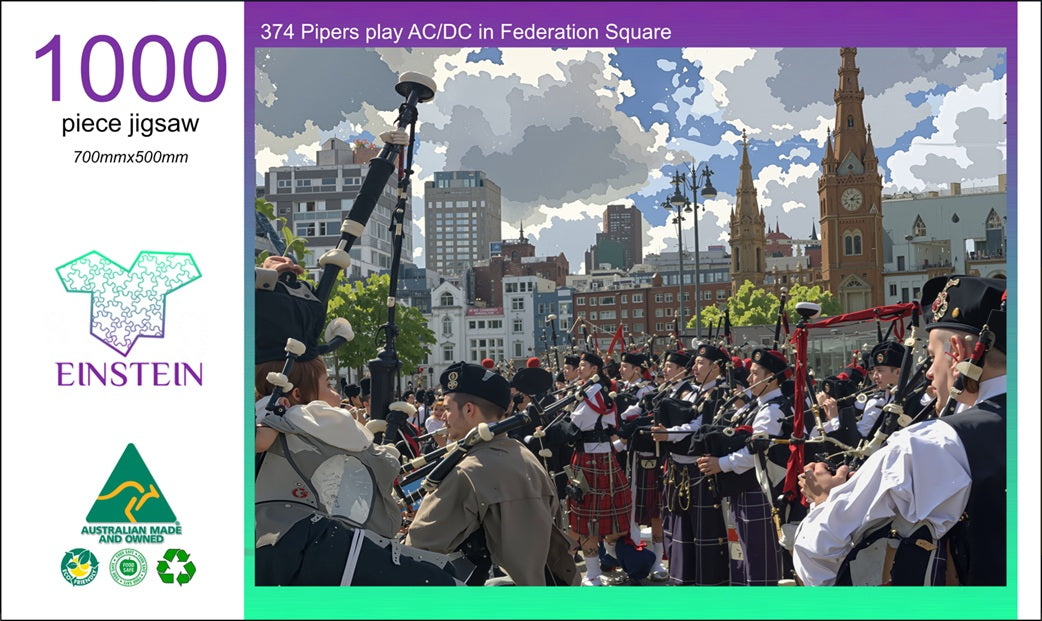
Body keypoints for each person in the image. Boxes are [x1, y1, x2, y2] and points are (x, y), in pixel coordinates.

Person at [793, 275, 1007, 586]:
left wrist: (826, 499)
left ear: (957, 352)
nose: (930, 372)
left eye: (932, 357)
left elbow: (817, 550)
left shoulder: (932, 445)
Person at [405, 361, 578, 586]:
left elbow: (417, 548)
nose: (443, 418)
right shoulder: (522, 454)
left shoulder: (468, 470)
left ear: (469, 409)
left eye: (448, 409)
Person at [696, 348, 790, 586]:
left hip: (760, 491)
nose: (749, 379)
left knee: (760, 562)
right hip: (744, 489)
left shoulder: (773, 410)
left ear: (772, 378)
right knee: (743, 557)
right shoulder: (756, 406)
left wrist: (721, 464)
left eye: (755, 374)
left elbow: (755, 452)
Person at [655, 344, 731, 586]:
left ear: (716, 367)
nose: (695, 368)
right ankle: (682, 580)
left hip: (701, 470)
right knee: (681, 529)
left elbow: (699, 426)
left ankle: (706, 585)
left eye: (701, 363)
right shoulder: (692, 393)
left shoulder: (721, 394)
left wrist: (669, 434)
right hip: (679, 468)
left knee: (704, 532)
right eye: (696, 363)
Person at [565, 352, 634, 586]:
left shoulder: (592, 393)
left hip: (589, 457)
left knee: (587, 515)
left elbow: (577, 424)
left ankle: (593, 573)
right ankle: (607, 560)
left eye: (583, 366)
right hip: (602, 456)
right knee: (600, 514)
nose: (579, 369)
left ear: (594, 369)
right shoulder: (594, 391)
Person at [613, 352, 668, 581]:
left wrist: (627, 426)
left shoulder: (647, 391)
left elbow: (643, 417)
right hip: (631, 457)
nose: (621, 370)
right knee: (632, 508)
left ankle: (656, 561)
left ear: (637, 369)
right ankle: (633, 558)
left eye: (625, 366)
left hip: (650, 456)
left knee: (654, 511)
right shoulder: (624, 390)